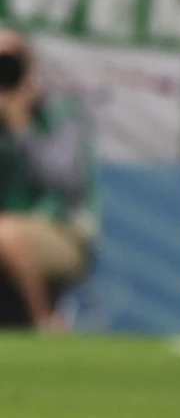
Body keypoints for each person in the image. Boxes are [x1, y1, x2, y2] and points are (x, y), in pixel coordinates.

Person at [0, 28, 96, 332]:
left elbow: (60, 178)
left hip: (62, 230)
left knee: (6, 232)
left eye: (10, 63)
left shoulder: (60, 111)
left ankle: (46, 320)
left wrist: (21, 126)